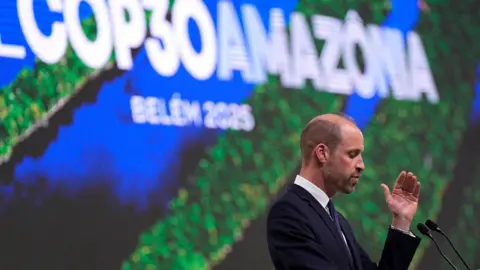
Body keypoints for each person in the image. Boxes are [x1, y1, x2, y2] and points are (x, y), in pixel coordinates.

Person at [266, 113, 422, 270]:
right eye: (352, 154)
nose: (361, 165)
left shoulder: (338, 220)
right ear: (322, 153)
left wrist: (401, 221)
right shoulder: (288, 212)